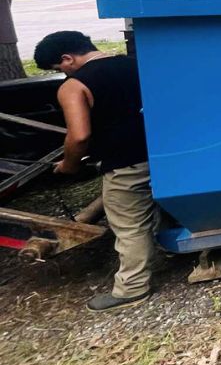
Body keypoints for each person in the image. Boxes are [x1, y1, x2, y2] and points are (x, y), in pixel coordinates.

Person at [33, 31, 157, 312]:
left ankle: (132, 288)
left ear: (67, 58)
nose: (62, 73)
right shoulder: (136, 63)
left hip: (124, 163)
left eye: (59, 68)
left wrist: (68, 165)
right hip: (162, 152)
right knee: (157, 205)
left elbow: (78, 136)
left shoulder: (74, 86)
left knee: (129, 225)